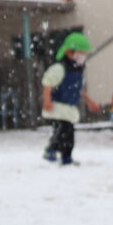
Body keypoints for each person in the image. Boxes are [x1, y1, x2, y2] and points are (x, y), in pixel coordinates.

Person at [42, 32, 101, 165]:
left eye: (84, 54)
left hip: (68, 108)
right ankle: (51, 149)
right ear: (69, 52)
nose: (83, 57)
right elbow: (47, 83)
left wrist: (89, 101)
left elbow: (79, 89)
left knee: (69, 135)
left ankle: (66, 158)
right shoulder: (59, 68)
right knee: (63, 129)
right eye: (80, 53)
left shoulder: (78, 70)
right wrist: (47, 100)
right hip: (57, 107)